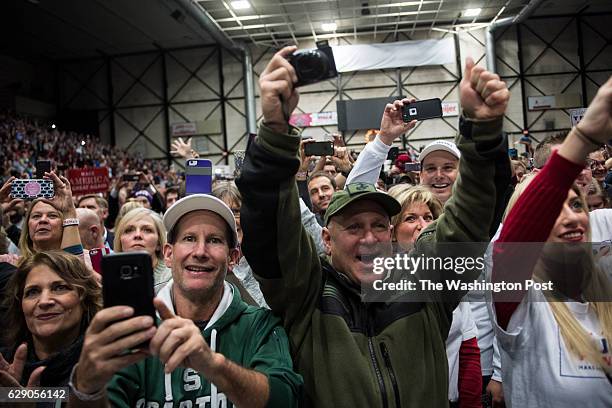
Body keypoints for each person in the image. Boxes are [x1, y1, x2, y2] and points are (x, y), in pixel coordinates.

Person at [237, 46, 510, 407]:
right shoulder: (306, 295)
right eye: (353, 226)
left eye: (379, 225)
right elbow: (271, 230)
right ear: (326, 239)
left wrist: (482, 131)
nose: (369, 238)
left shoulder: (425, 284)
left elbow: (473, 218)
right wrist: (274, 129)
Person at [67, 194, 302, 407]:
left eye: (214, 240)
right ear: (168, 254)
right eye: (189, 238)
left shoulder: (261, 326)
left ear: (232, 258)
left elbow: (284, 399)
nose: (200, 251)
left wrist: (214, 365)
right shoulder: (133, 331)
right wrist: (86, 389)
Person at [490, 76, 612, 407]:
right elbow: (511, 249)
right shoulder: (523, 308)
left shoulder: (605, 287)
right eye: (551, 212)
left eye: (576, 205)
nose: (572, 217)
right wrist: (584, 137)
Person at [387, 184, 482, 408]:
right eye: (410, 218)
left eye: (429, 217)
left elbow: (467, 348)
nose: (422, 226)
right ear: (391, 230)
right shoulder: (376, 280)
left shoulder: (445, 274)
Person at [0, 251, 101, 389]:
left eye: (59, 288)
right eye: (33, 292)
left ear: (85, 298)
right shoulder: (4, 365)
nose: (44, 301)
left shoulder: (107, 363)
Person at [12, 172, 83, 261]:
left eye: (52, 216)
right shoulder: (11, 264)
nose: (43, 220)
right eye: (36, 216)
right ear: (27, 226)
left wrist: (68, 211)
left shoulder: (86, 258)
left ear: (64, 224)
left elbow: (73, 271)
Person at [113, 207, 171, 293]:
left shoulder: (173, 277)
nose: (137, 235)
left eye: (147, 230)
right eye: (129, 230)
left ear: (159, 243)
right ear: (120, 241)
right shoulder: (110, 277)